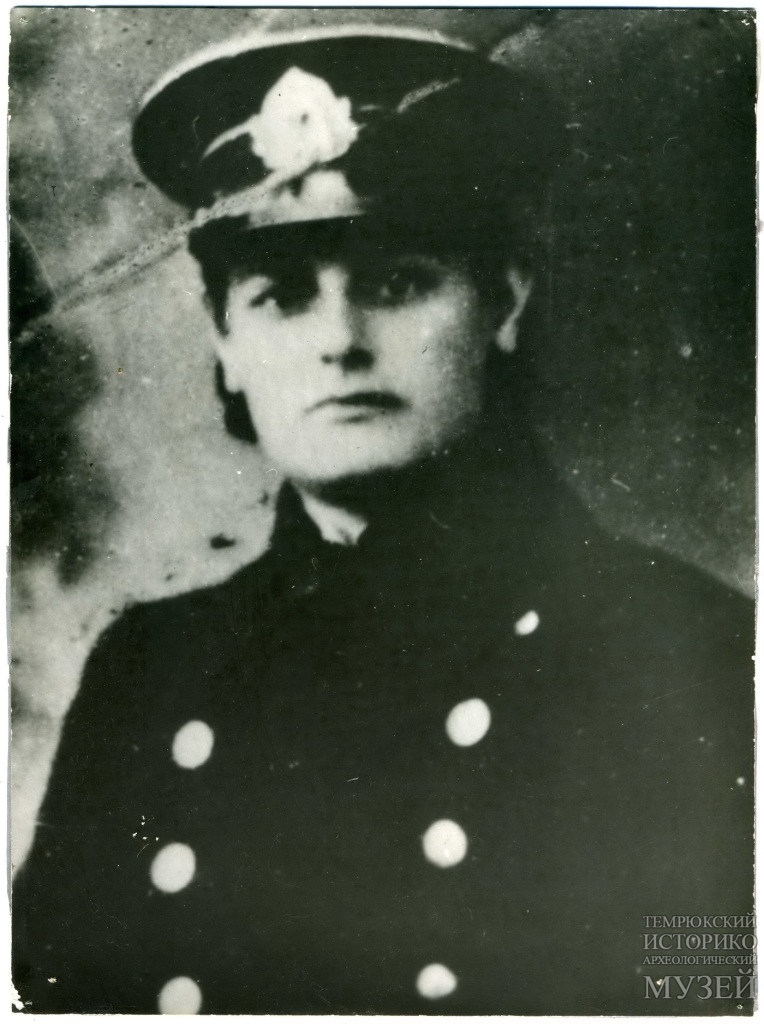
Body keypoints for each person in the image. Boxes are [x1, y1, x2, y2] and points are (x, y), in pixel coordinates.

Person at [12, 25, 754, 1015]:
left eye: (397, 283)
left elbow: (706, 998)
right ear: (225, 339)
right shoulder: (149, 670)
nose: (341, 341)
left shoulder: (692, 653)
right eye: (282, 296)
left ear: (503, 301)